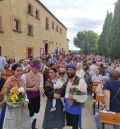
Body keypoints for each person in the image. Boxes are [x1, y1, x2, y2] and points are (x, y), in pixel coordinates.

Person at [0, 63, 31, 129]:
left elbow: (24, 92)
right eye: (18, 71)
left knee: (21, 122)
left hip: (22, 106)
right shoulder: (9, 81)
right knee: (13, 124)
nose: (20, 72)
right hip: (12, 106)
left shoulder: (21, 80)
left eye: (20, 70)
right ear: (13, 71)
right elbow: (4, 94)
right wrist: (13, 101)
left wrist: (25, 101)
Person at [21, 60, 44, 129]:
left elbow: (41, 85)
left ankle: (33, 127)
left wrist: (41, 89)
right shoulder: (25, 76)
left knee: (36, 111)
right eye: (36, 68)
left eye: (38, 68)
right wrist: (32, 89)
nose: (37, 70)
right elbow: (22, 88)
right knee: (30, 113)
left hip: (37, 96)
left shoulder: (40, 75)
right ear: (31, 67)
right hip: (28, 97)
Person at [65, 64, 87, 129]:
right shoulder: (67, 80)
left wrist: (74, 97)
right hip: (68, 105)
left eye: (71, 70)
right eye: (68, 70)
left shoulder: (81, 81)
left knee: (76, 124)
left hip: (76, 106)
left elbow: (84, 96)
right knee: (70, 123)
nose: (69, 71)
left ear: (75, 71)